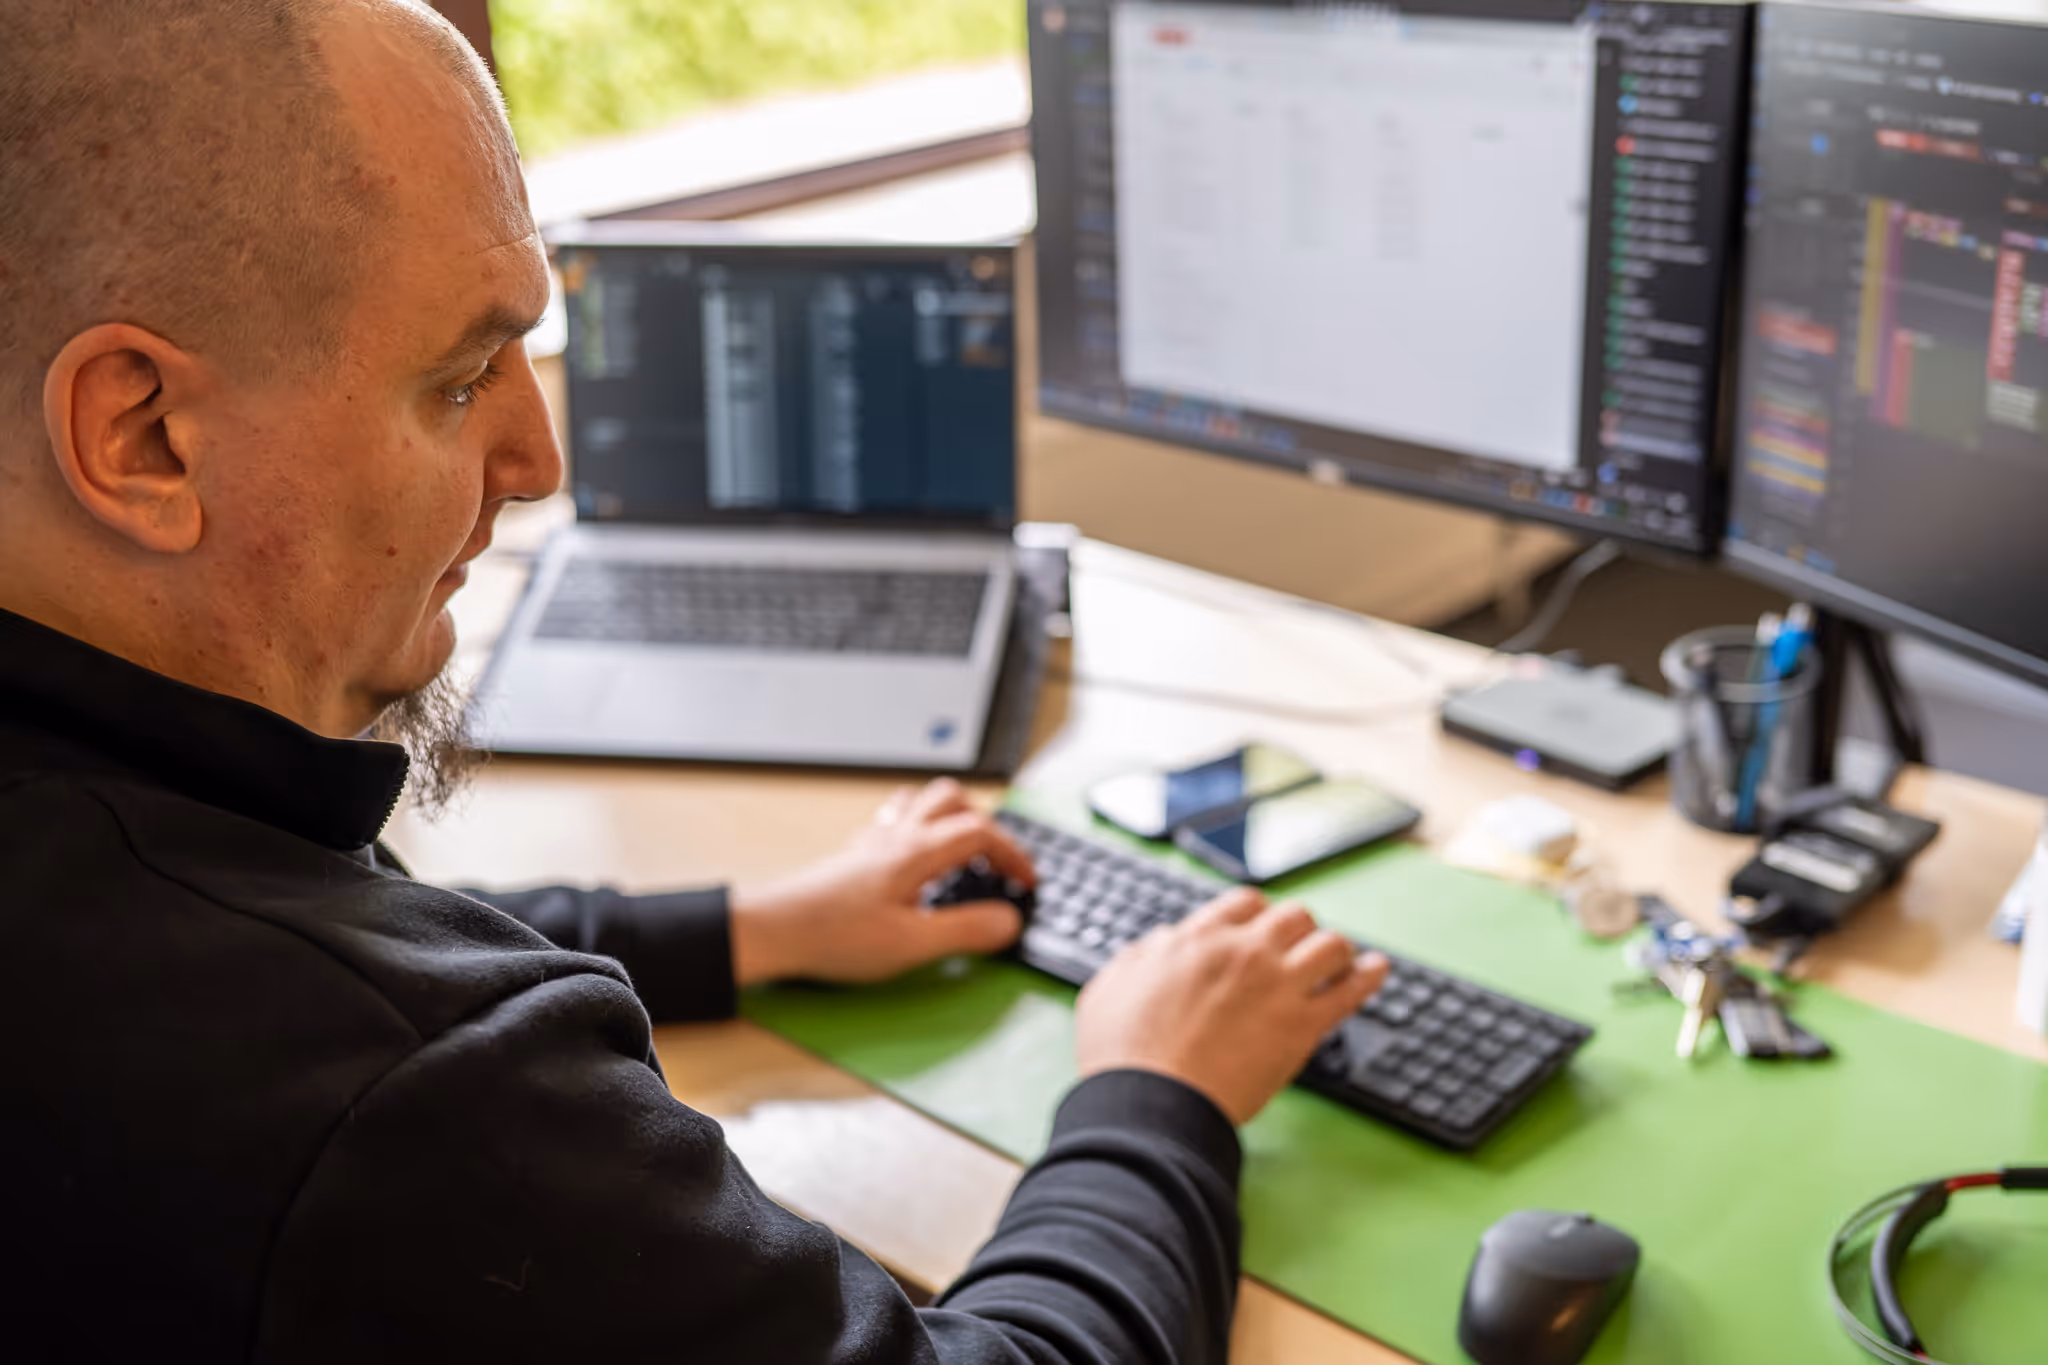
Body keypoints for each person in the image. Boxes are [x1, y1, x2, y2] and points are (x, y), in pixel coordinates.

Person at [0, 2, 1390, 1360]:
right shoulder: (409, 1109)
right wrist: (1156, 1092)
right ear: (143, 437)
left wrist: (758, 926)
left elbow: (329, 933)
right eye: (464, 374)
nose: (538, 459)